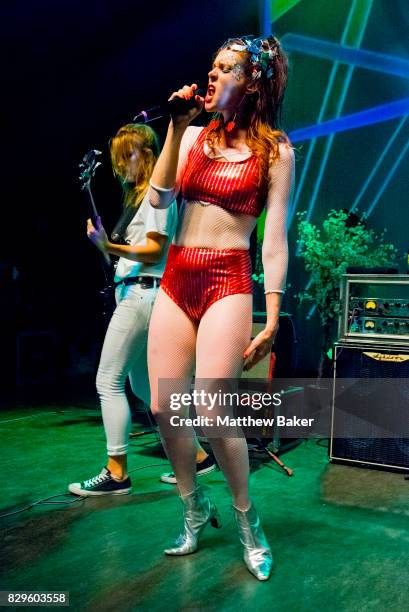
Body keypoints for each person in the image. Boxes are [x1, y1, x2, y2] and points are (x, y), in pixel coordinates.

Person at [147, 35, 295, 580]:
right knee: (164, 409)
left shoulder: (275, 152)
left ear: (253, 81)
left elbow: (273, 240)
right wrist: (175, 126)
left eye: (226, 68)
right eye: (211, 66)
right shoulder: (190, 138)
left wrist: (274, 315)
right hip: (178, 276)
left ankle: (246, 518)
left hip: (228, 280)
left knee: (213, 412)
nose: (212, 76)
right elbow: (158, 201)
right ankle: (193, 506)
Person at [68, 123, 197, 496]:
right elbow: (129, 259)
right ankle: (199, 457)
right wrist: (104, 247)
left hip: (143, 297)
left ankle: (117, 471)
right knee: (142, 386)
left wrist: (110, 248)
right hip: (139, 294)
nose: (122, 164)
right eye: (119, 158)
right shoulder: (139, 200)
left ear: (148, 153)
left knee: (107, 381)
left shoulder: (158, 196)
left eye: (129, 155)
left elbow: (155, 253)